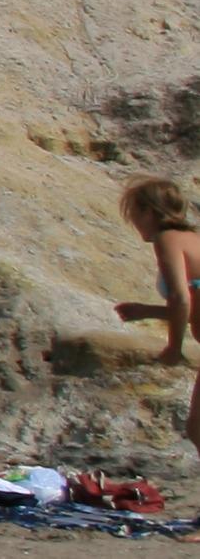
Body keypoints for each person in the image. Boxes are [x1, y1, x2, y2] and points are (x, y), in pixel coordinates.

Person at [112, 176, 200, 451]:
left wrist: (174, 346)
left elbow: (180, 297)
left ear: (149, 211)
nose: (134, 223)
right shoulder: (193, 239)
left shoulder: (167, 239)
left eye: (134, 214)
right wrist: (147, 311)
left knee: (198, 429)